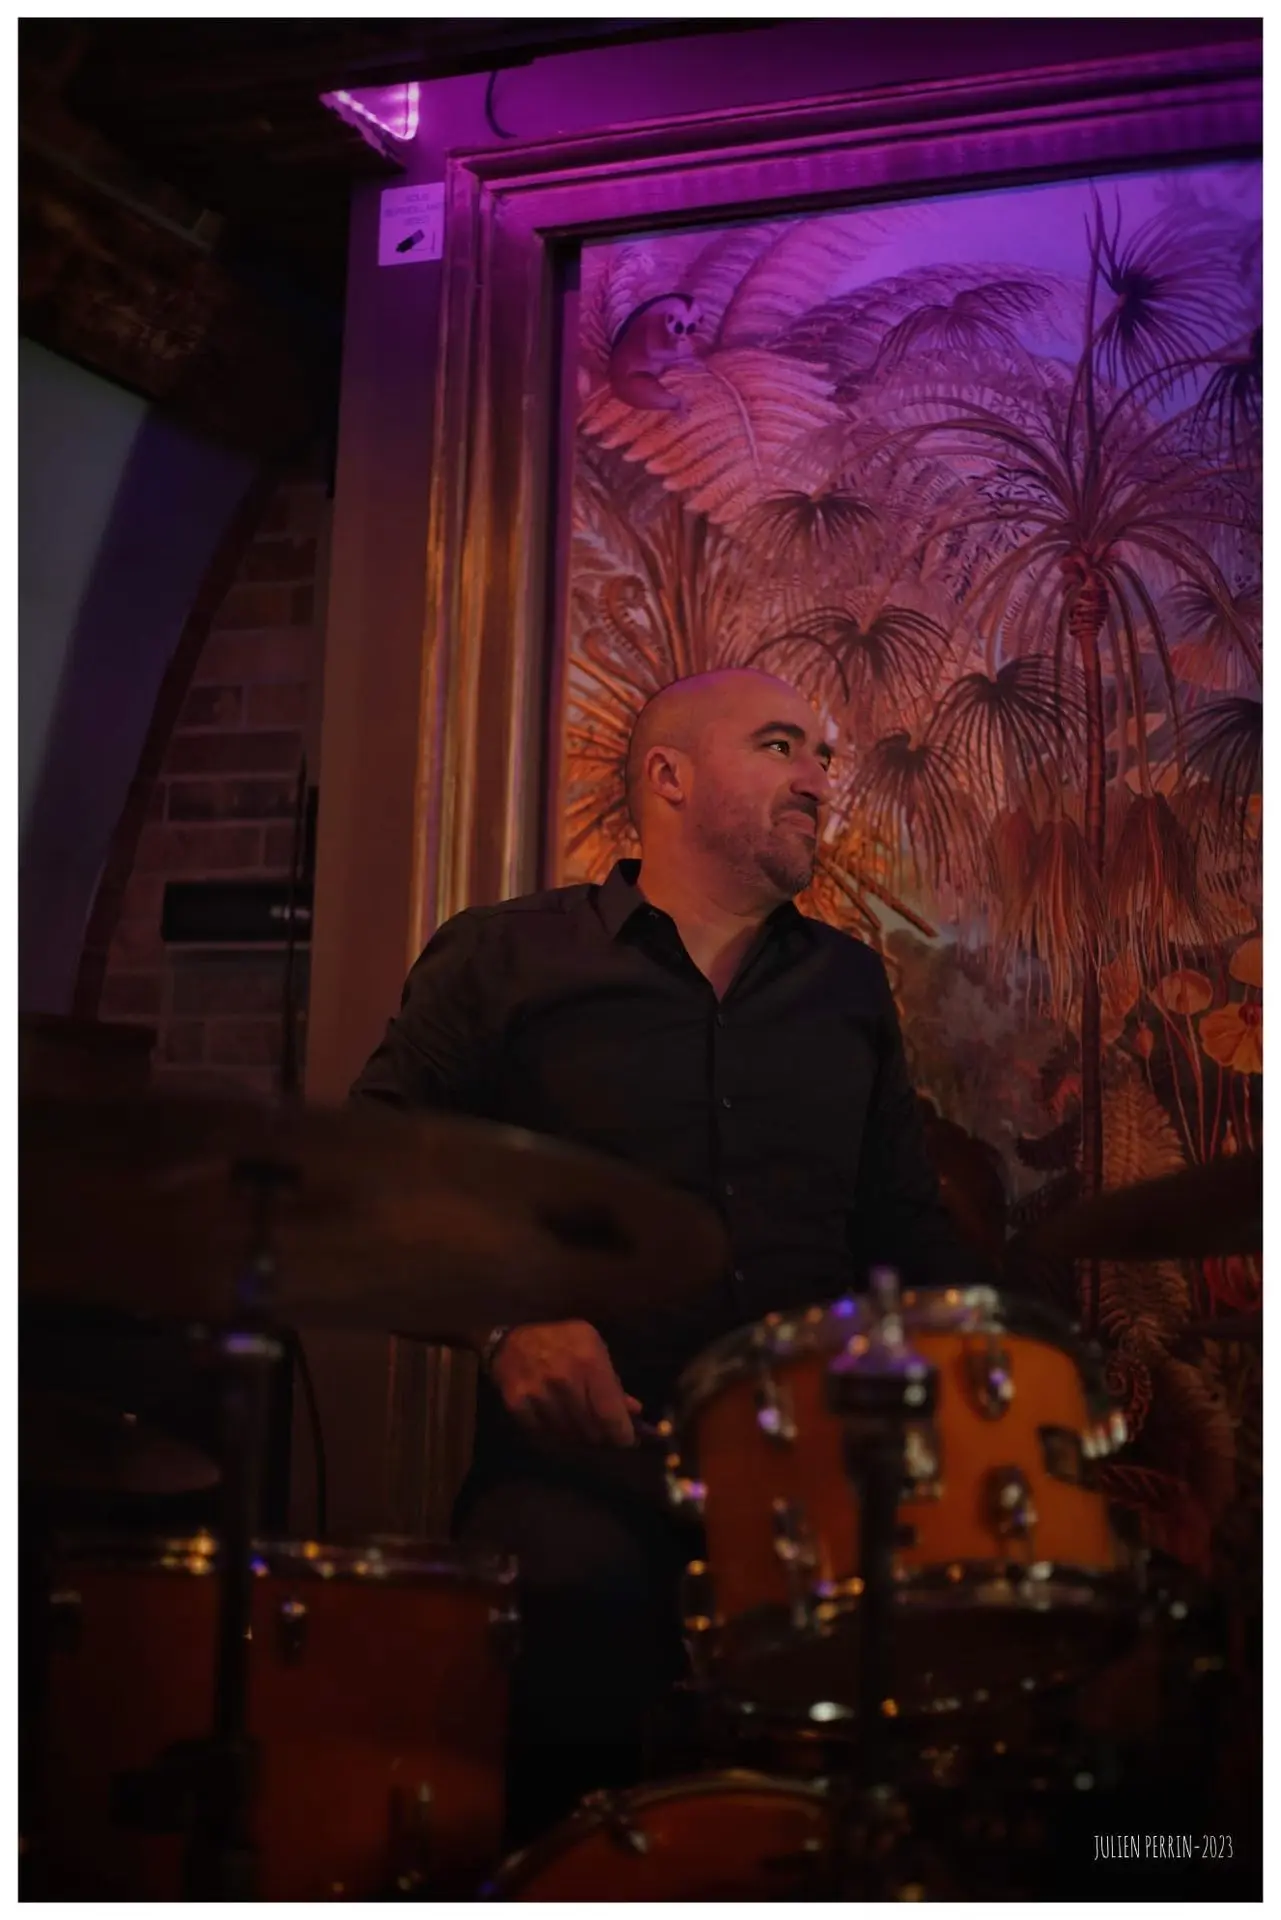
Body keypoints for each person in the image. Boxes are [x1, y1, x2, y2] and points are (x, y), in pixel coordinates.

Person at [350, 667, 984, 1846]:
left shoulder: (849, 985)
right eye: (783, 746)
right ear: (670, 776)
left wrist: (1040, 1358)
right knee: (567, 1622)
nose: (820, 777)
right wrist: (505, 1325)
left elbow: (906, 1230)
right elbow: (369, 1180)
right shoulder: (505, 959)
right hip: (584, 1480)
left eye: (823, 756)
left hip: (812, 1485)